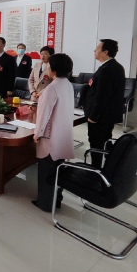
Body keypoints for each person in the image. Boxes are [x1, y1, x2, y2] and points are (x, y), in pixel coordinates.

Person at [32, 53, 75, 212]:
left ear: (54, 70)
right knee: (59, 170)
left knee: (46, 171)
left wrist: (37, 133)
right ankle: (57, 199)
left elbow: (44, 114)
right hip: (63, 135)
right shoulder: (68, 84)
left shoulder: (51, 88)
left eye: (49, 66)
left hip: (50, 136)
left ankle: (45, 203)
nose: (47, 68)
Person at [82, 39, 126, 168]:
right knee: (105, 140)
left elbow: (102, 96)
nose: (94, 51)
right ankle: (110, 165)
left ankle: (95, 169)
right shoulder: (114, 66)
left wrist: (93, 116)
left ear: (105, 52)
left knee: (96, 142)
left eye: (97, 49)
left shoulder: (107, 69)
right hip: (107, 114)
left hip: (101, 116)